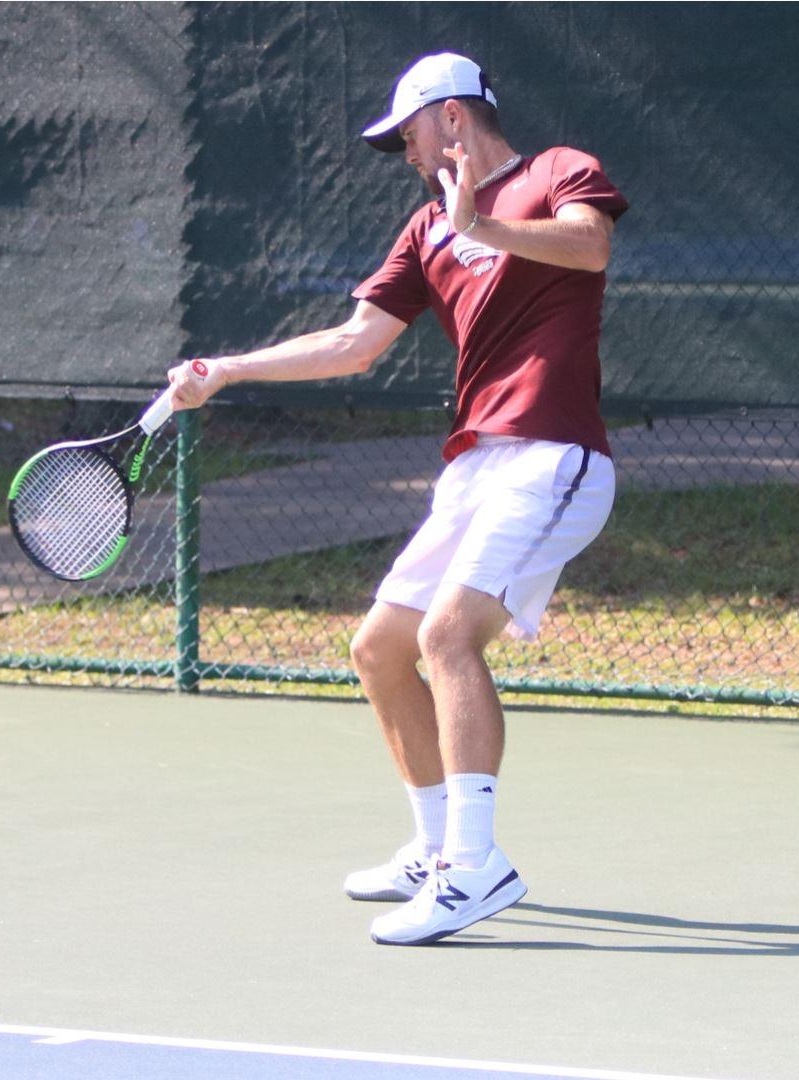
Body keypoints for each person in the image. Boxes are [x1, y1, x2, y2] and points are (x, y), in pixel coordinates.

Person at [164, 52, 627, 946]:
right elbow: (354, 342)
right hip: (475, 467)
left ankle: (475, 867)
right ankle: (433, 847)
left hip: (555, 457)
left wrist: (484, 225)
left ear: (452, 119)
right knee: (380, 648)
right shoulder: (424, 230)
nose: (408, 155)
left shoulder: (559, 171)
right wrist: (227, 371)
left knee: (445, 635)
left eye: (409, 135)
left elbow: (591, 245)